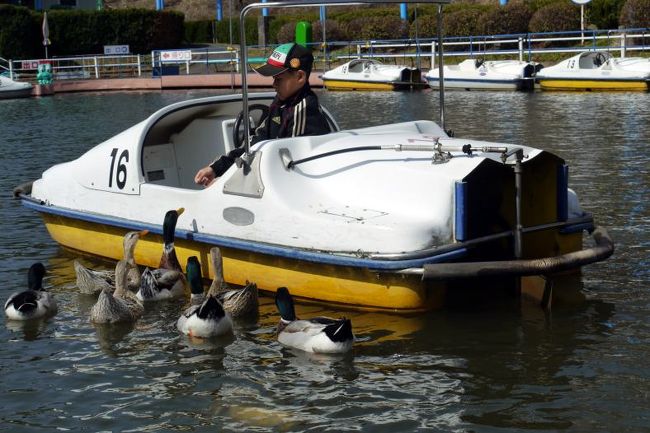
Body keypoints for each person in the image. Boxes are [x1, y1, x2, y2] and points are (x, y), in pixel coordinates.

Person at [194, 43, 331, 187]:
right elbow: (257, 141)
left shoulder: (305, 110)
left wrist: (225, 182)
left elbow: (289, 167)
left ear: (300, 77)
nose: (274, 84)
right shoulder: (281, 102)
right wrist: (217, 168)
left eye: (278, 79)